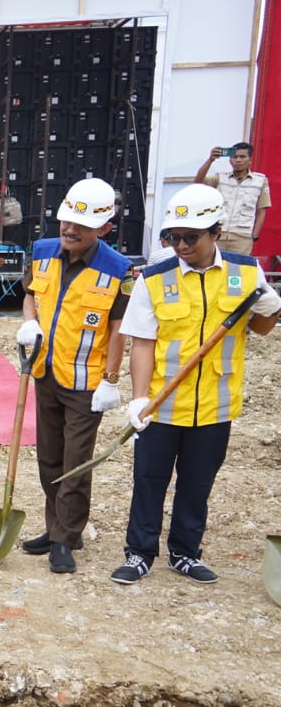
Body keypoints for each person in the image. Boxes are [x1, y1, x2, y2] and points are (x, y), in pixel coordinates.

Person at [111, 183, 281, 586]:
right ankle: (139, 553)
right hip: (163, 402)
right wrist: (138, 400)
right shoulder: (155, 278)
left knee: (197, 482)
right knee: (149, 479)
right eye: (173, 237)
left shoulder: (244, 271)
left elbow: (258, 327)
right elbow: (143, 343)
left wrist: (272, 310)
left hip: (215, 404)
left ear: (216, 233)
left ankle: (186, 553)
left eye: (191, 237)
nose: (181, 245)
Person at [15, 178, 131, 574]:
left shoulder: (118, 269)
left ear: (104, 228)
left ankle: (65, 539)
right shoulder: (43, 252)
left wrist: (112, 380)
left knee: (76, 462)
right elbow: (30, 294)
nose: (69, 230)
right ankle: (57, 527)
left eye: (80, 226)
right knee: (49, 458)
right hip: (45, 372)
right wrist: (29, 322)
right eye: (66, 221)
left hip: (86, 383)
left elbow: (118, 329)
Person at [195, 142, 270, 255]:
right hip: (218, 233)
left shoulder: (260, 181)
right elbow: (198, 182)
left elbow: (261, 210)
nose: (238, 160)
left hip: (242, 237)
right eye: (235, 157)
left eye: (242, 156)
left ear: (250, 160)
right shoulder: (221, 178)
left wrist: (254, 235)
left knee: (236, 270)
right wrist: (210, 160)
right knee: (215, 267)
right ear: (230, 160)